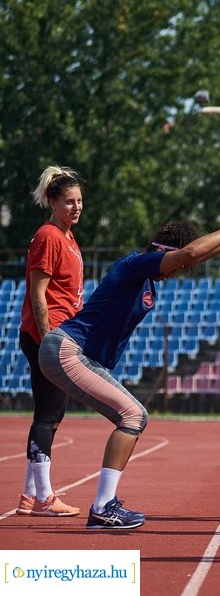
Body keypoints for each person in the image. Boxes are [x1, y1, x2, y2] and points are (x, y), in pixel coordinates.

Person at [38, 199, 220, 529]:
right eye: (174, 265)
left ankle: (104, 505)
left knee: (130, 416)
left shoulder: (146, 278)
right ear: (164, 252)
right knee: (133, 415)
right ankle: (103, 507)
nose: (176, 273)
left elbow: (195, 255)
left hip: (72, 352)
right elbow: (189, 254)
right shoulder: (134, 265)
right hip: (67, 350)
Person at [17, 166, 85, 518]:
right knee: (48, 414)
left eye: (79, 201)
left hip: (63, 335)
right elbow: (38, 293)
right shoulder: (49, 236)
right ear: (53, 203)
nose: (76, 207)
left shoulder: (68, 237)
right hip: (47, 337)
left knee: (53, 413)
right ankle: (44, 496)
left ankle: (30, 495)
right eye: (68, 202)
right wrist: (47, 340)